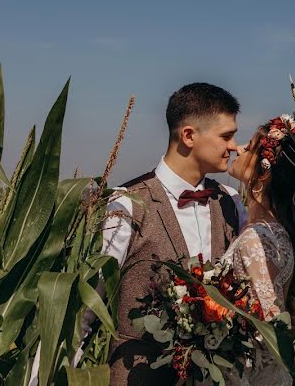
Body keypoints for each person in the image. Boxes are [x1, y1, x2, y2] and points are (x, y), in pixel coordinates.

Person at [104, 83, 247, 385]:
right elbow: (90, 303)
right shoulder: (127, 203)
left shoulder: (231, 202)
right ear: (189, 136)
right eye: (226, 136)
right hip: (138, 376)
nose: (234, 146)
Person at [221, 113, 295, 386]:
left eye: (249, 145)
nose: (240, 148)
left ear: (264, 169)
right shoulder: (277, 230)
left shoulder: (256, 239)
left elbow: (266, 327)